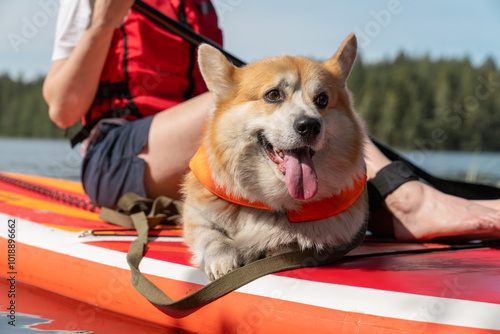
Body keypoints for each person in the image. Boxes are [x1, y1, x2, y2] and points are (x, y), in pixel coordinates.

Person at [44, 0, 500, 242]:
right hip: (117, 152)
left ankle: (400, 209)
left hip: (187, 153)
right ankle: (409, 200)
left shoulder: (197, 3)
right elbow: (62, 109)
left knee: (316, 114)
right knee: (232, 110)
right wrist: (103, 22)